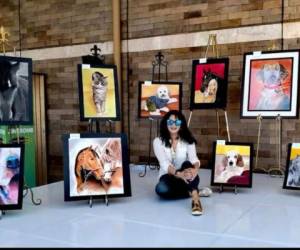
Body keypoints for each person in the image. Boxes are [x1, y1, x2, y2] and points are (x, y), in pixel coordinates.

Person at [153, 110, 205, 216]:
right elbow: (164, 164)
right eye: (170, 122)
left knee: (187, 164)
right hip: (168, 176)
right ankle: (191, 190)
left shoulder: (188, 140)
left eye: (177, 122)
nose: (173, 125)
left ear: (181, 125)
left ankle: (195, 198)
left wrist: (195, 169)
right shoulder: (158, 141)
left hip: (185, 173)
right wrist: (179, 174)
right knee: (160, 189)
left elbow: (194, 159)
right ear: (165, 123)